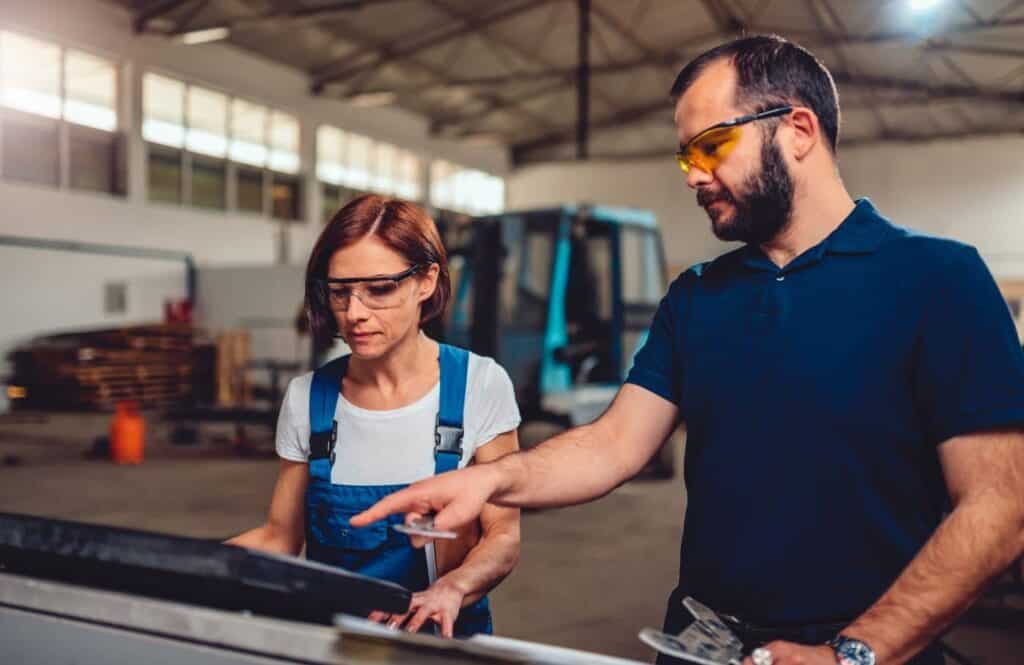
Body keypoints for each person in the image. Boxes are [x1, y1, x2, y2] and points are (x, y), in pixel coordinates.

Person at [352, 35, 1024, 665]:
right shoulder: (698, 296)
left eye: (710, 146)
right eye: (685, 155)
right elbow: (614, 443)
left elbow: (1000, 506)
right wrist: (493, 478)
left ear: (797, 131)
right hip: (700, 643)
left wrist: (856, 650)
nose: (692, 174)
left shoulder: (937, 280)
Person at [229, 194, 521, 638]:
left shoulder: (480, 386)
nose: (355, 314)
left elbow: (502, 534)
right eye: (340, 293)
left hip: (444, 643)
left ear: (426, 281)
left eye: (379, 290)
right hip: (338, 643)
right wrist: (177, 565)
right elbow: (280, 538)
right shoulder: (308, 398)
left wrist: (453, 588)